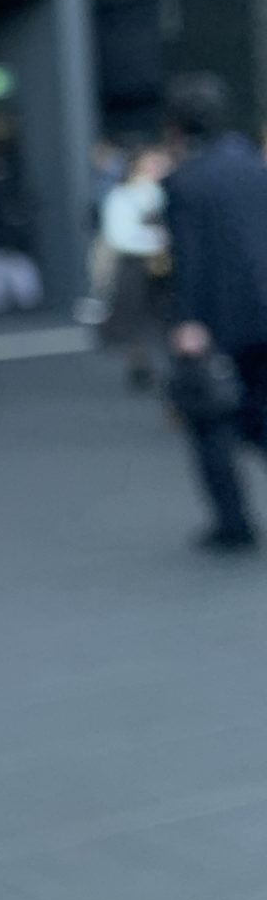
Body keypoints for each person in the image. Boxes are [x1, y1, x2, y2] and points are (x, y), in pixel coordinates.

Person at [162, 72, 267, 550]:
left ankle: (233, 523)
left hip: (217, 317)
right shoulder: (253, 165)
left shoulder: (185, 180)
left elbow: (190, 257)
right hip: (262, 309)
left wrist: (188, 320)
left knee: (210, 420)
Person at [99, 145, 170, 388]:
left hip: (162, 264)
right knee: (136, 319)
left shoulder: (166, 191)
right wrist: (159, 241)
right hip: (136, 265)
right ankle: (140, 366)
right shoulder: (123, 196)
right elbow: (119, 236)